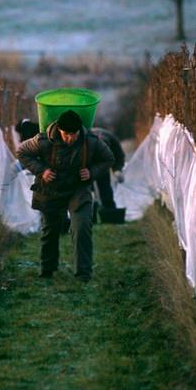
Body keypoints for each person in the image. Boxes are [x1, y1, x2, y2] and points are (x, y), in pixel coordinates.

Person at [16, 110, 114, 282]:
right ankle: (48, 269)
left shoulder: (91, 141)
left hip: (79, 189)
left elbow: (108, 159)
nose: (71, 138)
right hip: (50, 189)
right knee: (50, 230)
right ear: (59, 130)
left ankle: (83, 274)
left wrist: (91, 172)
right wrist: (42, 171)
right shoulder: (43, 140)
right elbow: (22, 152)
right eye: (67, 134)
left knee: (82, 226)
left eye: (74, 134)